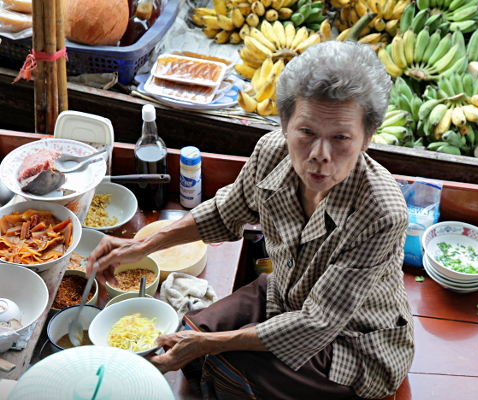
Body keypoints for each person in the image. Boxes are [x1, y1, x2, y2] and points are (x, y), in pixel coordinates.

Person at [87, 40, 414, 400]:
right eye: (306, 133)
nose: (320, 155)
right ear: (285, 125)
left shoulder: (381, 212)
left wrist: (209, 344)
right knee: (184, 331)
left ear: (366, 138)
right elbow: (226, 211)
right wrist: (140, 246)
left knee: (222, 363)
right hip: (285, 294)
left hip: (352, 340)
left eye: (341, 138)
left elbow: (317, 323)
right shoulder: (272, 152)